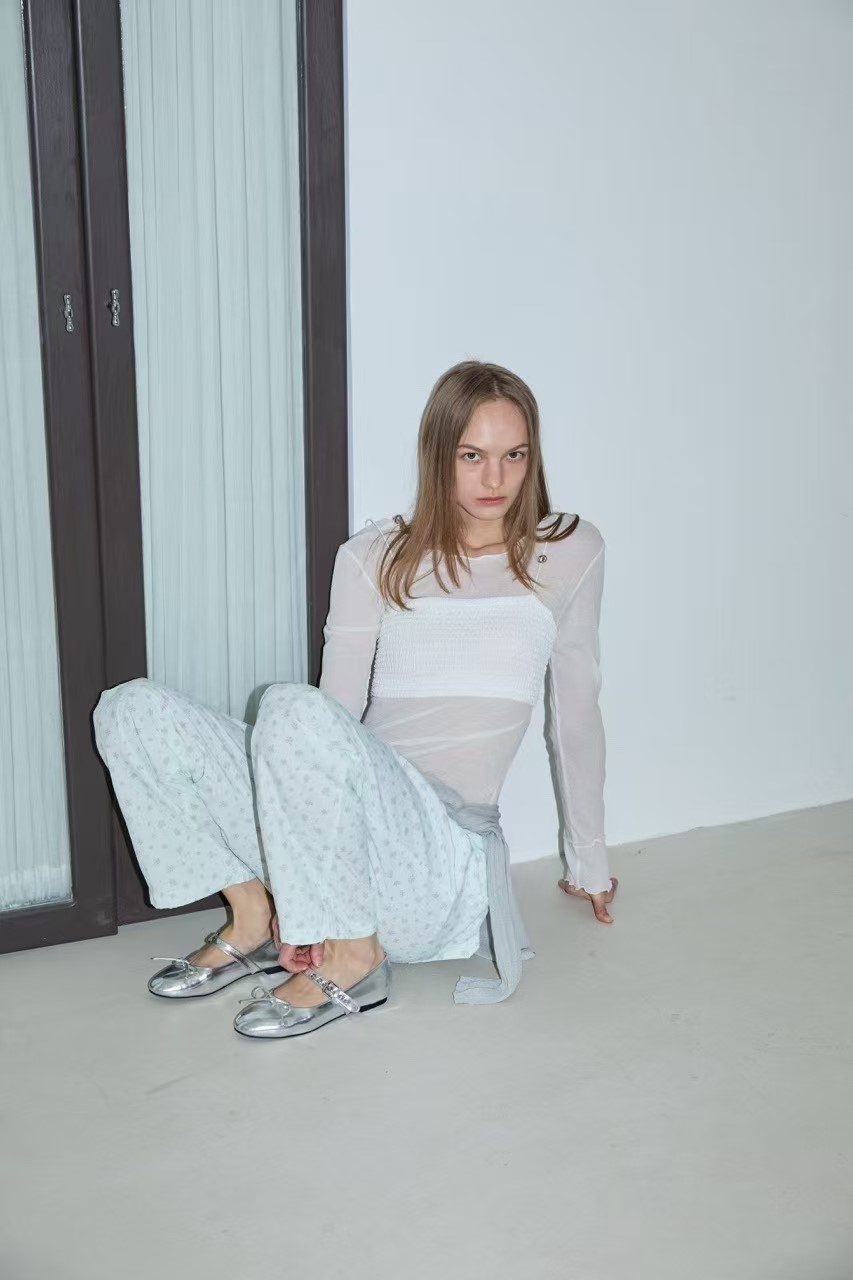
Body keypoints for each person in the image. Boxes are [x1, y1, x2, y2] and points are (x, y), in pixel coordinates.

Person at [93, 359, 616, 1042]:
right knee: (131, 709)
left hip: (434, 868)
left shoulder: (567, 550)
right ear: (438, 455)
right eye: (472, 456)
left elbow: (574, 715)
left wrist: (588, 862)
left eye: (513, 455)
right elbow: (328, 723)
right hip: (346, 848)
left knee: (289, 707)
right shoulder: (374, 554)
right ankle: (255, 917)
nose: (495, 479)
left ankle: (357, 959)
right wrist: (304, 886)